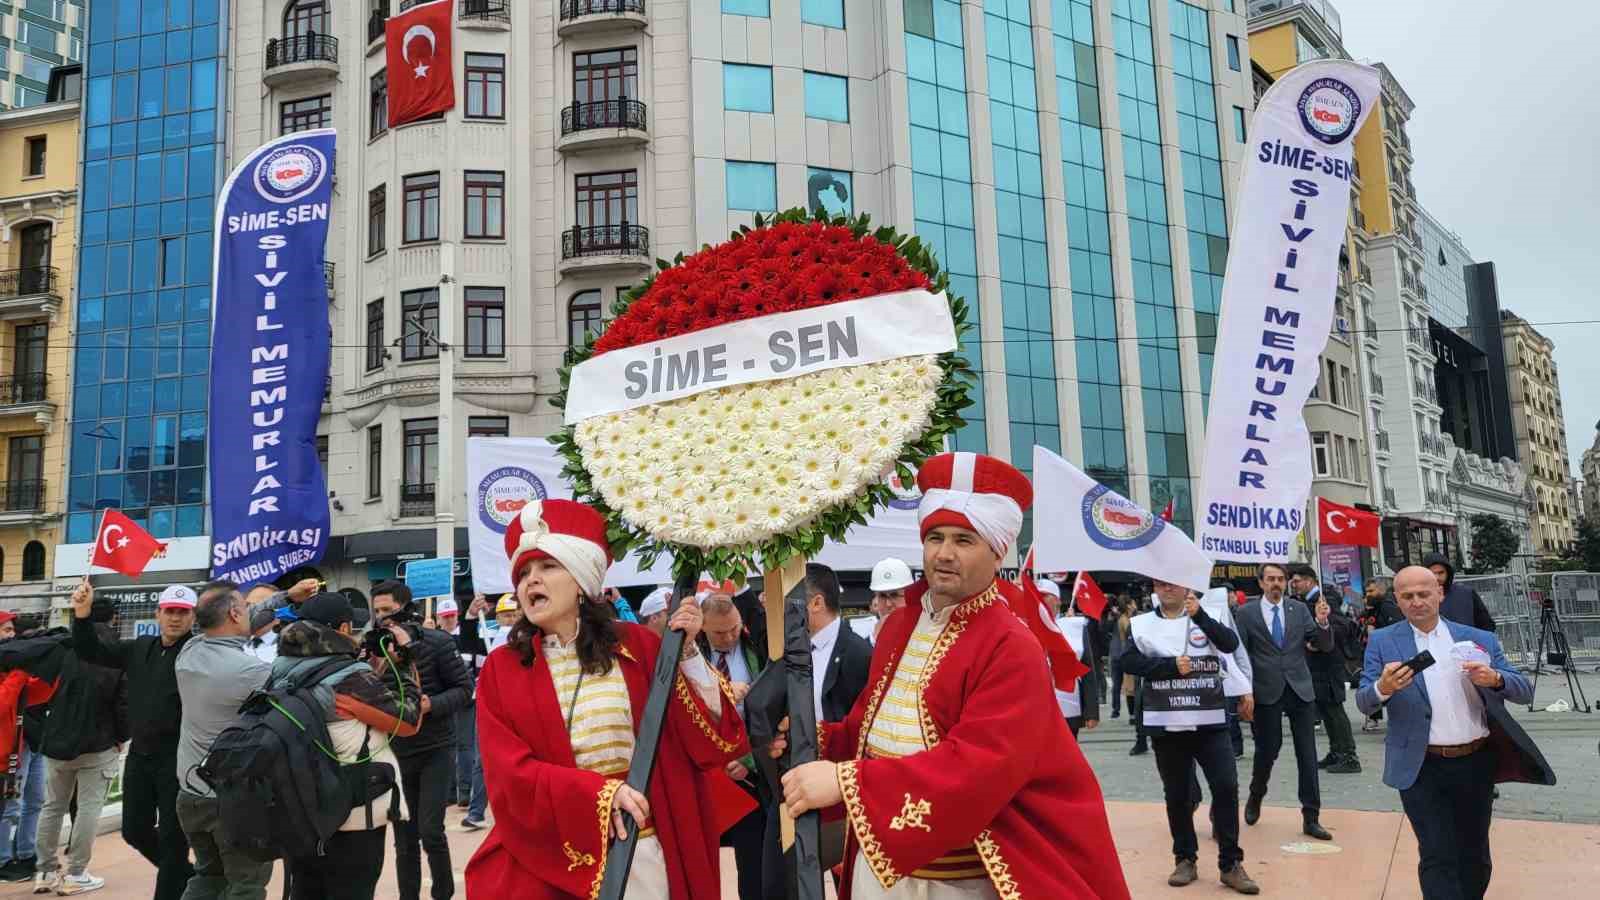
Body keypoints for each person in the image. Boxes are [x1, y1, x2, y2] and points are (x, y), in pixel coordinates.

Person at [777, 451, 1130, 900]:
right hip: (877, 869)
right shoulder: (899, 627)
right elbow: (868, 730)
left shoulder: (1012, 645)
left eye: (965, 540)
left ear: (997, 549)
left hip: (957, 882)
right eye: (935, 537)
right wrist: (811, 740)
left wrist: (846, 783)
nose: (944, 553)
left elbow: (977, 768)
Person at [464, 498, 750, 898]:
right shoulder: (501, 669)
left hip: (643, 850)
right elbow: (507, 774)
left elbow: (708, 743)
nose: (531, 580)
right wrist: (599, 796)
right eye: (524, 572)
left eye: (548, 566)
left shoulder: (637, 645)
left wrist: (686, 652)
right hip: (549, 856)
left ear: (582, 581)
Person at [1357, 566, 1551, 900]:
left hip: (1475, 762)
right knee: (1437, 854)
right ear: (1398, 601)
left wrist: (1495, 679)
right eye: (1408, 596)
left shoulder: (1478, 638)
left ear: (1440, 594)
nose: (1417, 602)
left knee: (1474, 855)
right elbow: (1363, 700)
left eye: (1424, 593)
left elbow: (1524, 690)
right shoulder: (1382, 641)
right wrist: (1382, 688)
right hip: (1420, 766)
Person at [277, 592, 425, 900]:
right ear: (343, 629)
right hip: (353, 809)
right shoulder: (352, 677)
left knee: (306, 891)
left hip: (300, 806)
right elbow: (408, 721)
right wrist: (405, 663)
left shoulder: (279, 669)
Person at [1121, 580, 1257, 894]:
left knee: (1225, 786)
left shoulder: (1206, 616)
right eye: (1161, 584)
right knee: (1178, 794)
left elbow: (1228, 645)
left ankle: (1230, 863)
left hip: (1208, 719)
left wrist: (1201, 618)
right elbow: (1128, 661)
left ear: (1186, 588)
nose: (1167, 589)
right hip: (1166, 722)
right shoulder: (1142, 624)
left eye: (1174, 584)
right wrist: (1169, 666)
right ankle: (1185, 858)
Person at [72, 582, 198, 899]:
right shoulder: (142, 646)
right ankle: (193, 879)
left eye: (182, 613)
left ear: (192, 617)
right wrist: (83, 615)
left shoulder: (199, 652)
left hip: (179, 760)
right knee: (134, 831)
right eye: (170, 611)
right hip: (141, 757)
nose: (175, 619)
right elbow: (91, 651)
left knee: (173, 840)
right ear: (158, 613)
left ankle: (176, 886)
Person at [0, 585, 127, 895]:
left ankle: (43, 872)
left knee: (52, 807)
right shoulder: (119, 652)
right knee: (88, 808)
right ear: (113, 619)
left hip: (56, 742)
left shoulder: (61, 647)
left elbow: (40, 694)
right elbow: (125, 702)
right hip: (99, 743)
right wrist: (121, 737)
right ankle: (76, 873)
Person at [370, 581, 471, 900]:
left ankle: (443, 893)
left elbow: (463, 689)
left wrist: (431, 705)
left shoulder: (438, 643)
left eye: (388, 610)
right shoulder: (373, 647)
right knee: (404, 836)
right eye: (377, 611)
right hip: (396, 752)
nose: (383, 617)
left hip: (435, 748)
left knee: (430, 831)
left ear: (406, 607)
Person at [174, 582, 276, 899]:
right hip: (232, 801)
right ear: (234, 613)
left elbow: (224, 618)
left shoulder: (187, 653)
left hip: (190, 796)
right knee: (246, 885)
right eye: (245, 608)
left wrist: (284, 598)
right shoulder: (252, 671)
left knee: (208, 876)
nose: (250, 613)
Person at [1235, 563, 1334, 841]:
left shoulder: (1299, 609)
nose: (1276, 583)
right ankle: (1256, 794)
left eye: (1281, 579)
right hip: (1265, 689)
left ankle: (1311, 816)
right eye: (1271, 579)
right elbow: (1240, 654)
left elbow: (1322, 645)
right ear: (1261, 583)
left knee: (1307, 752)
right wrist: (1244, 692)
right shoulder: (1246, 613)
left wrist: (1323, 622)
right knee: (1268, 749)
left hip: (1300, 688)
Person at [698, 594, 767, 900]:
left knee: (752, 861)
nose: (727, 638)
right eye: (718, 633)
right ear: (702, 628)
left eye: (733, 629)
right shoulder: (688, 654)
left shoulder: (758, 651)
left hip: (750, 773)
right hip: (706, 773)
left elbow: (771, 712)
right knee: (701, 860)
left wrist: (749, 759)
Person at [0, 612, 50, 885]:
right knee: (10, 806)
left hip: (27, 743)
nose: (11, 635)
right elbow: (3, 703)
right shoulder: (11, 670)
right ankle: (3, 860)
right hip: (8, 751)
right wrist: (20, 670)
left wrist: (51, 666)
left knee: (34, 800)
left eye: (12, 630)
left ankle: (26, 853)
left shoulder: (14, 667)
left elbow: (39, 694)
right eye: (6, 629)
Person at [1041, 580, 1099, 738]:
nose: (1040, 599)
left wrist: (1091, 711)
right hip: (1036, 708)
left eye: (1045, 596)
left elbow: (1087, 669)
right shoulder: (1024, 625)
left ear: (1058, 601)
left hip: (1068, 705)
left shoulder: (1073, 628)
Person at [1356, 579, 1403, 733]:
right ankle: (1374, 717)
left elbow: (1394, 630)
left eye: (1371, 591)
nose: (1368, 594)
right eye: (1367, 591)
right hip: (1375, 654)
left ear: (1381, 591)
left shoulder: (1388, 607)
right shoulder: (1374, 607)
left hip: (1388, 656)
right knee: (1375, 686)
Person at [1421, 553, 1497, 632]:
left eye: (1441, 573)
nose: (1437, 577)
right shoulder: (1416, 598)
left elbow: (1486, 625)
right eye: (1433, 573)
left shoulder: (1467, 593)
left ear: (1448, 573)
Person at [866, 558, 914, 643]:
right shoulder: (864, 644)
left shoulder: (926, 634)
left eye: (894, 595)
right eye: (882, 596)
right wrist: (876, 641)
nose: (888, 604)